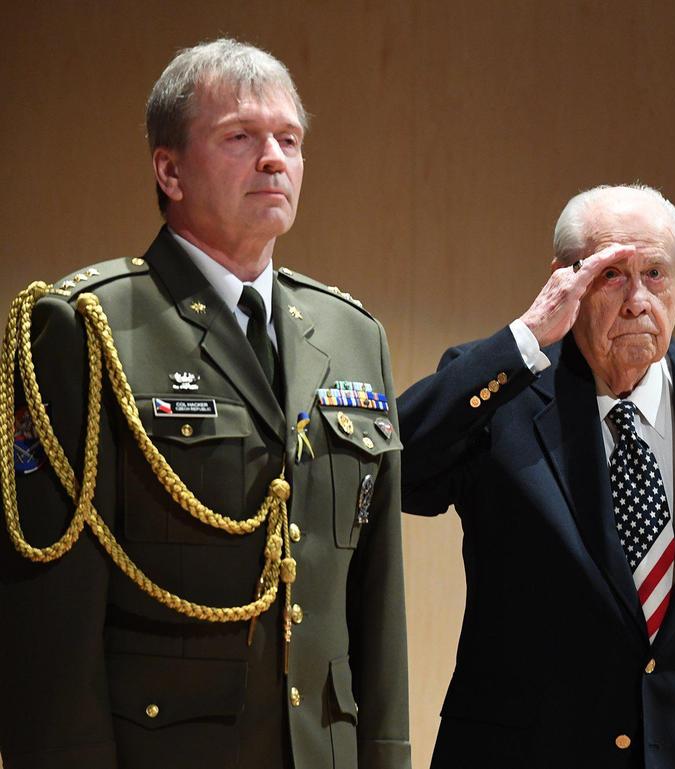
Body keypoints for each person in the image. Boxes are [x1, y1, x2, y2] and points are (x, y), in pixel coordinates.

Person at [0, 39, 410, 769]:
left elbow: (375, 602)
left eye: (289, 139)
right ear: (170, 169)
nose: (274, 159)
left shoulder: (354, 335)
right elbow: (49, 622)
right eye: (241, 138)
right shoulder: (84, 326)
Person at [398, 184, 675, 769]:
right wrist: (526, 338)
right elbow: (398, 468)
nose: (639, 300)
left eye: (657, 273)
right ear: (566, 280)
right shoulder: (503, 395)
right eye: (613, 275)